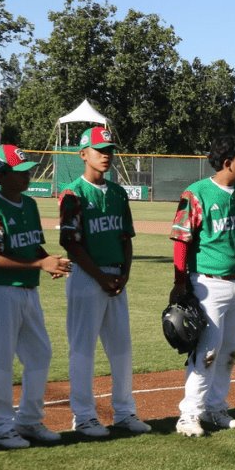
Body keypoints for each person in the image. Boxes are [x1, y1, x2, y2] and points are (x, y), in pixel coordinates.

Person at [59, 127, 151, 438]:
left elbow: (126, 238)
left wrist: (124, 275)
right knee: (82, 349)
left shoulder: (117, 193)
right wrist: (101, 277)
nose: (106, 154)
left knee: (122, 349)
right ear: (83, 154)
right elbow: (70, 244)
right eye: (99, 149)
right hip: (87, 278)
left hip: (115, 278)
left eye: (109, 148)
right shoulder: (72, 194)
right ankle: (83, 417)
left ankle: (124, 412)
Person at [0, 144, 72, 449]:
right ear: (1, 174)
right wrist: (38, 263)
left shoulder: (29, 205)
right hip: (0, 293)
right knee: (0, 361)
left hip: (29, 291)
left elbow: (34, 246)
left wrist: (49, 261)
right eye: (19, 171)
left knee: (40, 354)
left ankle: (29, 420)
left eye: (27, 169)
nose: (27, 175)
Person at [169, 135, 235, 436]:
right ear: (227, 163)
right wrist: (180, 282)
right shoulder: (197, 194)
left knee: (230, 351)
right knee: (207, 350)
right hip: (207, 283)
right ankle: (189, 414)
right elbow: (182, 240)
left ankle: (216, 407)